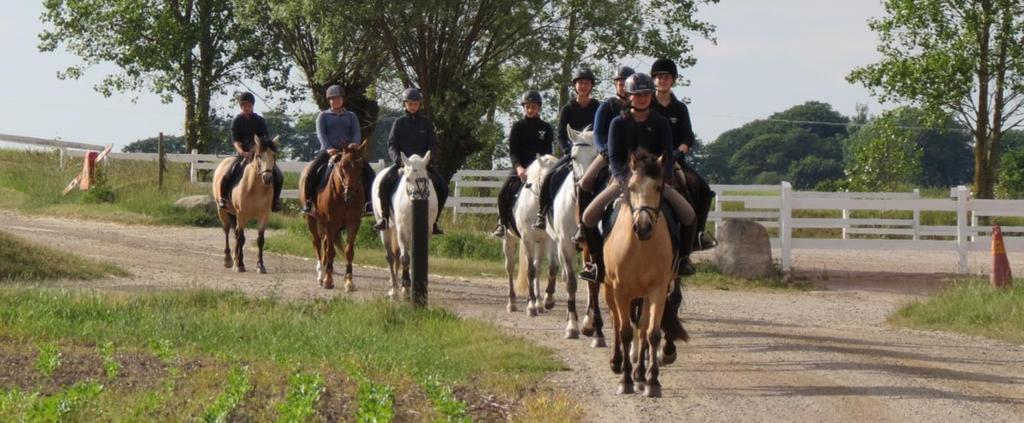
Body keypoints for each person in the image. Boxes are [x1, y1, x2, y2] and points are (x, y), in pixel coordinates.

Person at [577, 73, 695, 283]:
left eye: (646, 94)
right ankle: (596, 263)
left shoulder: (661, 123)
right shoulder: (617, 123)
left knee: (688, 215)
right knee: (588, 217)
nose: (642, 98)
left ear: (651, 96)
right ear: (629, 96)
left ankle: (683, 259)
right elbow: (613, 158)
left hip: (653, 182)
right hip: (624, 180)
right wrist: (625, 180)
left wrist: (662, 179)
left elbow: (667, 153)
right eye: (638, 94)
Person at [650, 57, 717, 275]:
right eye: (659, 77)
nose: (662, 81)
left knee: (705, 191)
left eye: (666, 77)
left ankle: (695, 239)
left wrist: (678, 152)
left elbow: (688, 137)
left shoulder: (680, 108)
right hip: (649, 163)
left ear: (673, 80)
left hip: (675, 161)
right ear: (654, 80)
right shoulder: (646, 104)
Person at [372, 87, 449, 235]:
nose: (413, 106)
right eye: (410, 103)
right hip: (404, 164)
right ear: (405, 104)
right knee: (383, 184)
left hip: (423, 165)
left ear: (419, 105)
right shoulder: (399, 122)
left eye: (415, 103)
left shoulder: (426, 123)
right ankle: (385, 218)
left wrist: (428, 159)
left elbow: (433, 143)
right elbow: (392, 144)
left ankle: (434, 222)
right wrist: (399, 161)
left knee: (443, 188)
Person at [534, 68, 599, 229]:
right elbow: (561, 135)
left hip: (593, 154)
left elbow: (600, 133)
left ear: (591, 86)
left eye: (586, 83)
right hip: (574, 152)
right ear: (575, 86)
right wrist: (569, 151)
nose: (583, 86)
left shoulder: (597, 106)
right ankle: (542, 214)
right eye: (580, 83)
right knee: (550, 175)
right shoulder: (567, 109)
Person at [300, 84, 375, 215]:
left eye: (339, 98)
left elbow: (356, 133)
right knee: (310, 173)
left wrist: (354, 144)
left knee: (370, 172)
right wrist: (328, 148)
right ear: (329, 100)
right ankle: (309, 202)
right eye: (333, 99)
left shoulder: (351, 116)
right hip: (329, 151)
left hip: (349, 152)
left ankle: (369, 203)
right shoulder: (323, 116)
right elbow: (321, 134)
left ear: (342, 100)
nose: (336, 101)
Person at [492, 90, 554, 238]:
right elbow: (513, 151)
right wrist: (519, 167)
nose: (530, 109)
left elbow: (548, 152)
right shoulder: (517, 127)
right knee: (502, 193)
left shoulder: (546, 128)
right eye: (527, 106)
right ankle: (502, 223)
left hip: (539, 168)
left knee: (552, 190)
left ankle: (549, 220)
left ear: (538, 107)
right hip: (521, 167)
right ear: (524, 107)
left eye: (533, 106)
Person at [219, 91, 284, 212]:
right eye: (243, 106)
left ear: (252, 106)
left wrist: (254, 150)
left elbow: (264, 139)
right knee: (227, 174)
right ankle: (223, 199)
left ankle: (275, 201)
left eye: (248, 105)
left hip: (259, 153)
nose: (246, 108)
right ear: (241, 107)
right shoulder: (237, 121)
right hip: (242, 153)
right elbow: (235, 141)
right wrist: (242, 152)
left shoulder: (259, 120)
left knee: (279, 175)